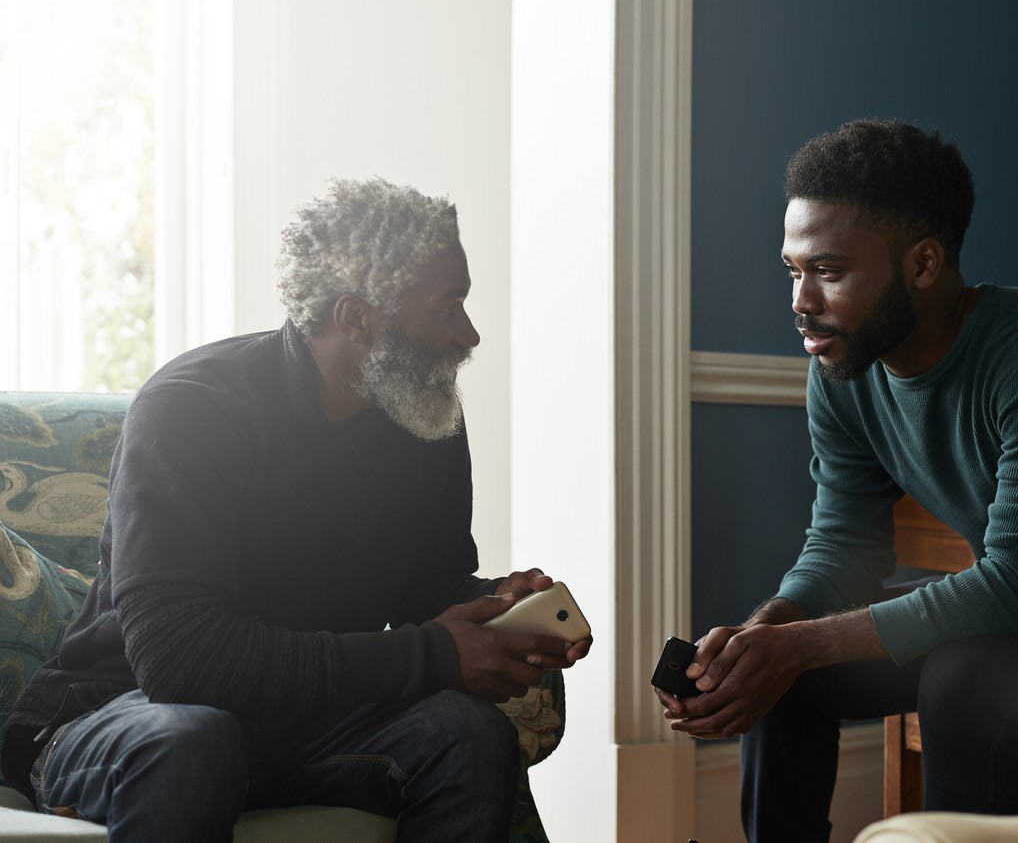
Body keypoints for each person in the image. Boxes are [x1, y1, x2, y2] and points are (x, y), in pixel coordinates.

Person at [654, 119, 1018, 840]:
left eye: (830, 271)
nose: (800, 301)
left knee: (965, 684)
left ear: (925, 263)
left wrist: (804, 641)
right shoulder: (843, 368)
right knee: (788, 677)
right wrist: (769, 632)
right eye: (793, 270)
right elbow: (844, 547)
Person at [0, 177, 591, 842]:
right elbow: (180, 663)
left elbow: (425, 585)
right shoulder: (193, 407)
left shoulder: (426, 419)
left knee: (470, 735)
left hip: (303, 720)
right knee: (194, 738)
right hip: (118, 710)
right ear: (356, 317)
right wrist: (432, 654)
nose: (469, 332)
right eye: (448, 308)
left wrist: (498, 606)